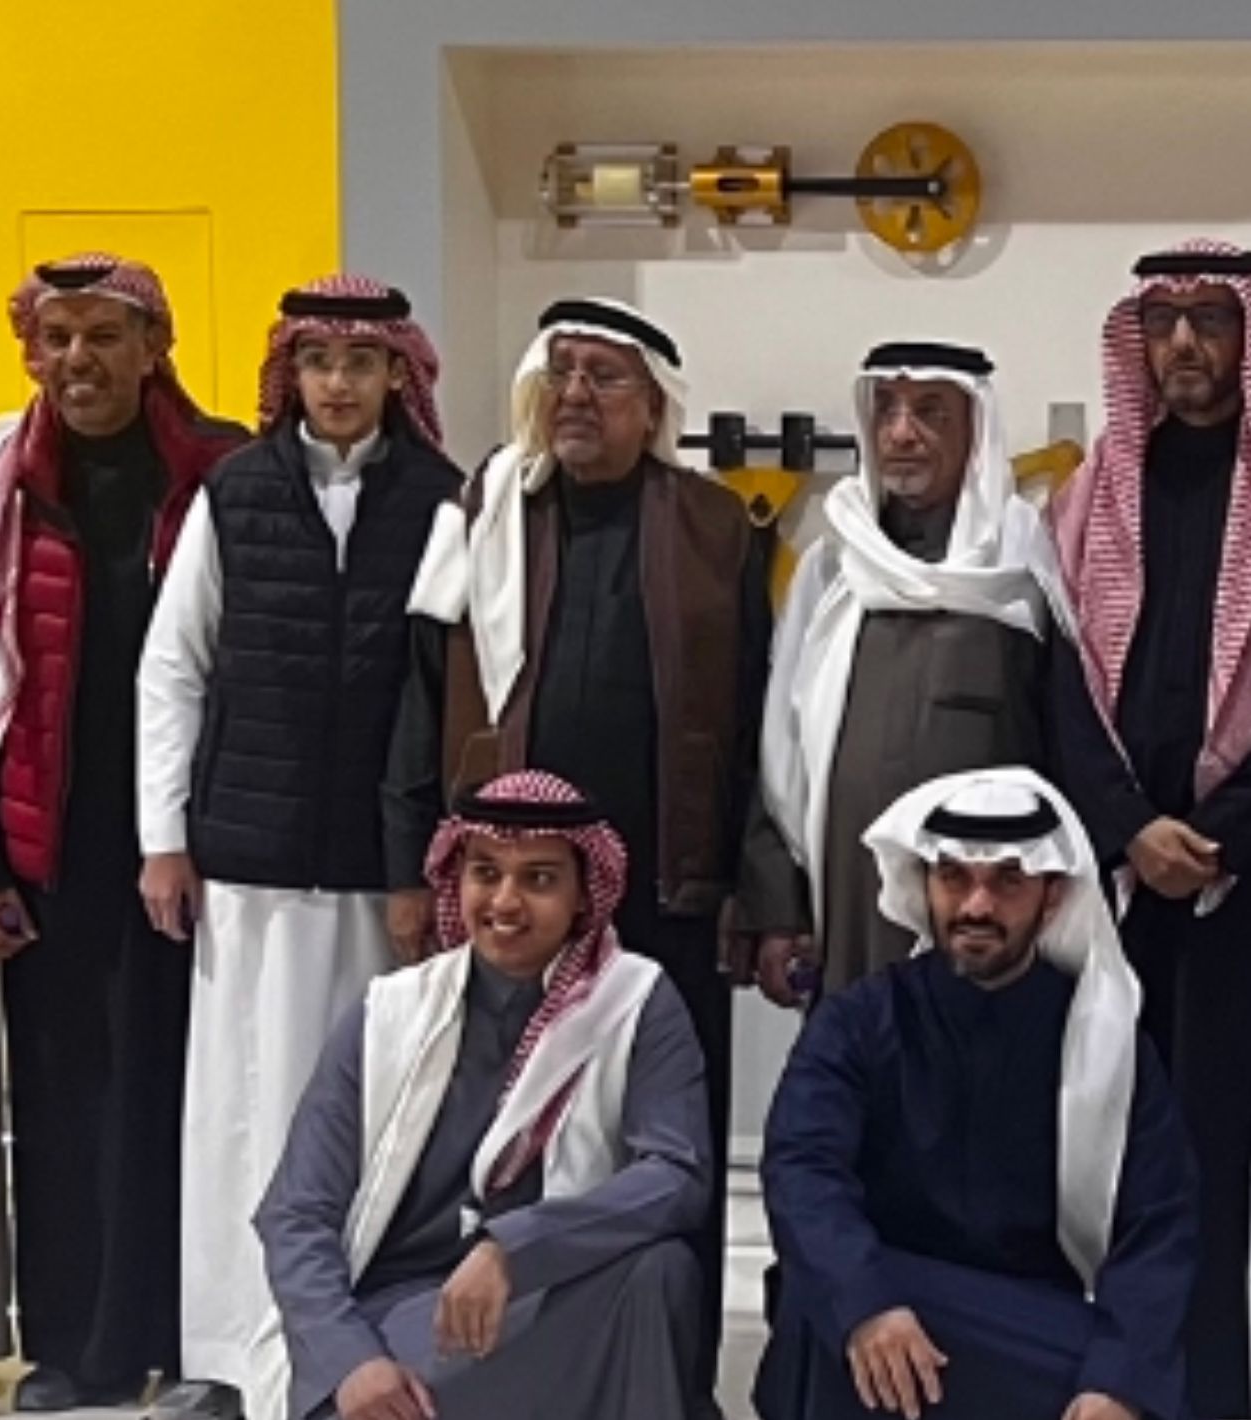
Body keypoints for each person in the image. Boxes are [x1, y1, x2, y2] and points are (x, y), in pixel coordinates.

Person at [385, 296, 771, 1392]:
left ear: (655, 405)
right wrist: (407, 868)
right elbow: (420, 697)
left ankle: (668, 1381)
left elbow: (760, 724)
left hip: (667, 895)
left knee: (664, 1148)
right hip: (510, 904)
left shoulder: (719, 528)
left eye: (606, 377)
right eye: (562, 373)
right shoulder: (484, 511)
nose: (577, 396)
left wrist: (756, 890)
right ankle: (515, 1380)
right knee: (507, 1141)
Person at [137, 275, 461, 1412]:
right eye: (319, 362)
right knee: (243, 1110)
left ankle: (347, 1360)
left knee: (366, 1117)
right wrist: (163, 839)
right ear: (292, 373)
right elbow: (173, 667)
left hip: (380, 874)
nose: (338, 384)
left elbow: (445, 692)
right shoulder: (235, 491)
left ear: (395, 374)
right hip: (249, 863)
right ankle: (234, 1355)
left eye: (360, 363)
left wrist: (422, 864)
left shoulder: (441, 501)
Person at [0, 253, 246, 1407]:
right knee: (65, 1106)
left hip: (196, 853)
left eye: (103, 337)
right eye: (58, 339)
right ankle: (77, 1351)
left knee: (185, 1101)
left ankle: (188, 1342)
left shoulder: (225, 472)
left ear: (155, 347)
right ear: (32, 353)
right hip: (51, 853)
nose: (77, 361)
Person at [250, 770, 710, 1420]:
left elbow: (675, 1175)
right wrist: (351, 1361)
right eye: (485, 873)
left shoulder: (633, 1001)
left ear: (584, 894)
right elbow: (296, 1214)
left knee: (659, 1273)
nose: (506, 902)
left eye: (540, 879)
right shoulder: (390, 1013)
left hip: (543, 1290)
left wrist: (514, 1248)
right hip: (404, 1317)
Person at [756, 767, 1197, 1420]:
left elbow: (1158, 1222)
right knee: (826, 1308)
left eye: (1007, 881)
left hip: (1026, 1318)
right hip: (894, 1307)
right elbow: (801, 1167)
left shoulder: (1105, 1044)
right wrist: (867, 1304)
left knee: (1128, 1380)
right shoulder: (861, 1021)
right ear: (924, 886)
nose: (976, 907)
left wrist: (1117, 1384)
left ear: (1052, 896)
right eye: (954, 878)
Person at [1049, 237, 1251, 1419]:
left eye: (1210, 319)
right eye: (1163, 321)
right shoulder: (1092, 498)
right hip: (1123, 895)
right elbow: (1061, 688)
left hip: (1241, 890)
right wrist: (1130, 828)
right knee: (1125, 1158)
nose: (1183, 343)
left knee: (1226, 1167)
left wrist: (1220, 837)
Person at [738, 342, 1063, 1008]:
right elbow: (778, 749)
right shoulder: (834, 566)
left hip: (985, 909)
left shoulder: (1020, 564)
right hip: (848, 901)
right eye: (885, 410)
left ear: (976, 430)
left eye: (930, 412)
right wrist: (778, 911)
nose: (901, 433)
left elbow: (1066, 746)